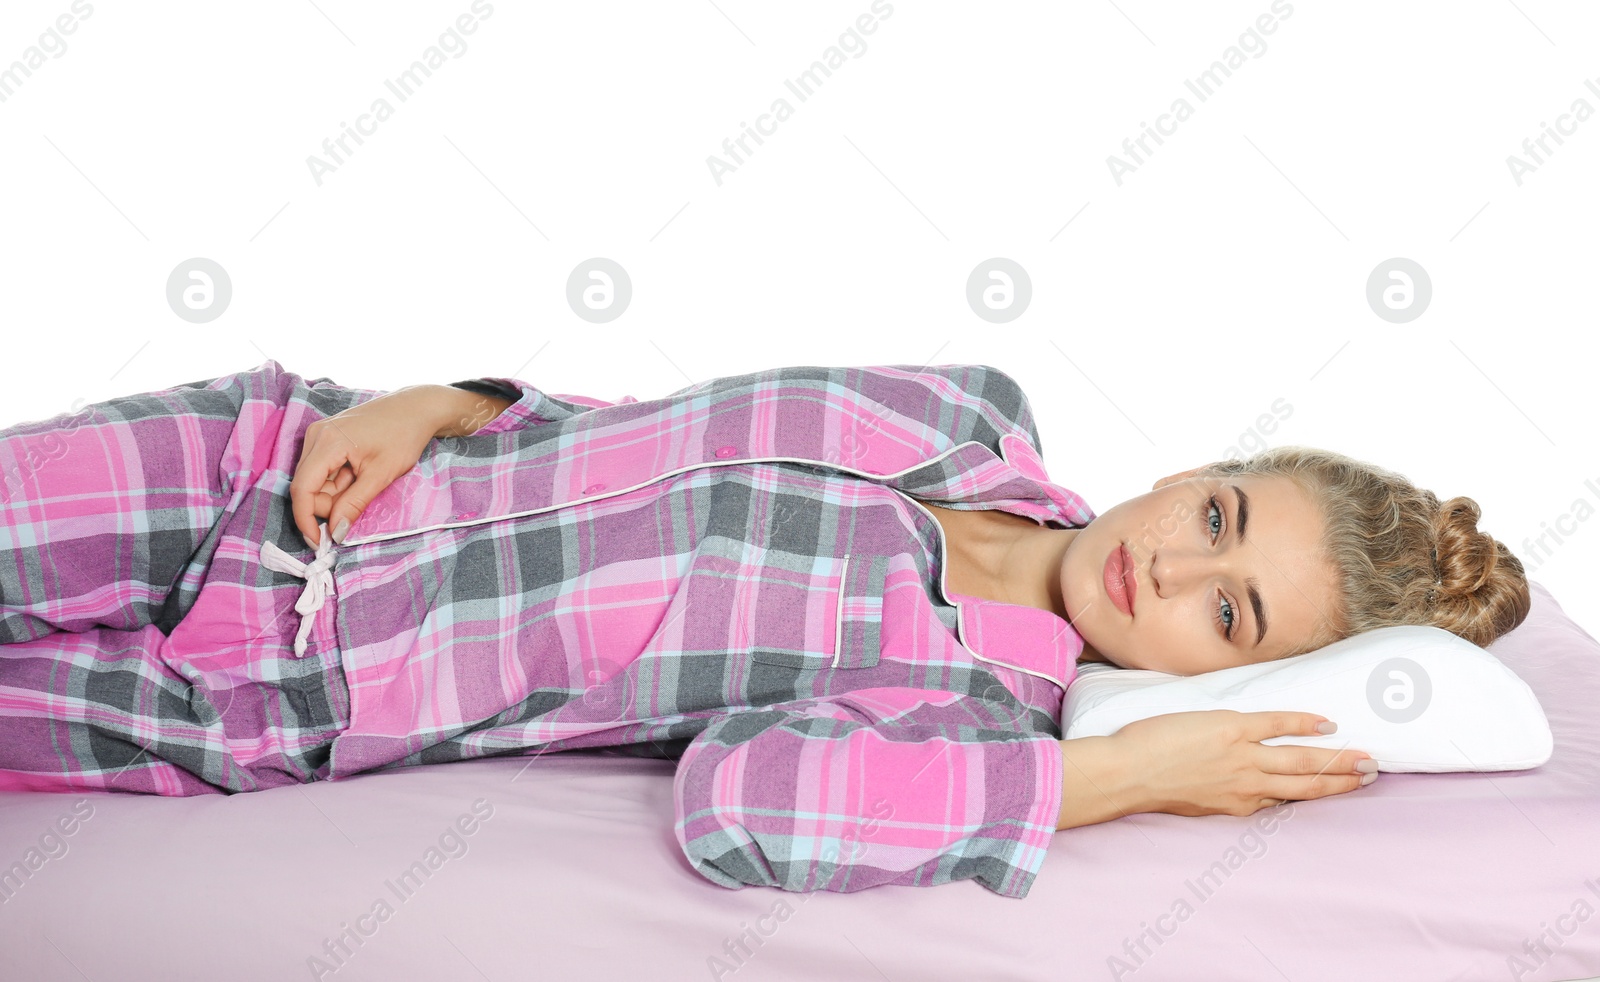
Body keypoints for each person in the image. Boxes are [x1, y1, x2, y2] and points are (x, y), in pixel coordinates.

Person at [0, 359, 1530, 898]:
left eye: (1231, 612)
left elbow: (741, 805)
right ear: (1203, 472)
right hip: (271, 457)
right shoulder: (965, 407)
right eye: (1217, 520)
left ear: (1240, 672)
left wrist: (1113, 779)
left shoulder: (985, 722)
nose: (1174, 573)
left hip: (276, 690)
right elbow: (655, 417)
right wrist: (448, 402)